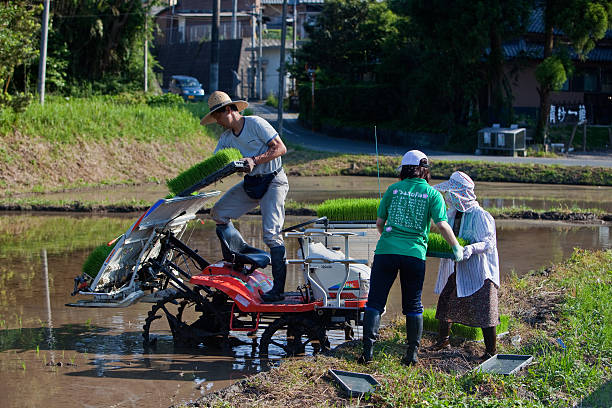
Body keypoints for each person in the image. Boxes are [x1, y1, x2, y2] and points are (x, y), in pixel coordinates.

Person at [358, 150, 464, 365]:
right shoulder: (433, 195)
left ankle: (367, 352)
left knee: (375, 301)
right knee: (413, 304)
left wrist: (390, 238)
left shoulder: (393, 190)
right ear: (425, 170)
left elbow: (380, 223)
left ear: (404, 169)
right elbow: (442, 225)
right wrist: (456, 247)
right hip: (414, 254)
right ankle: (411, 355)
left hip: (386, 251)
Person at [201, 91, 289, 302]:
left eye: (218, 117)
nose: (218, 122)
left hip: (273, 180)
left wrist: (254, 160)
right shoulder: (226, 139)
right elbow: (215, 164)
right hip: (251, 184)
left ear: (229, 110)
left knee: (271, 234)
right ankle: (239, 255)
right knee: (219, 213)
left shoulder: (256, 124)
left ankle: (278, 291)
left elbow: (280, 147)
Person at [431, 171, 500, 360]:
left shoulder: (481, 216)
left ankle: (490, 350)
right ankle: (443, 340)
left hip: (480, 271)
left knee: (485, 309)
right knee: (446, 301)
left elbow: (489, 243)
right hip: (457, 268)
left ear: (461, 194)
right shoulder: (453, 215)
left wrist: (469, 249)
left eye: (451, 194)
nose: (448, 197)